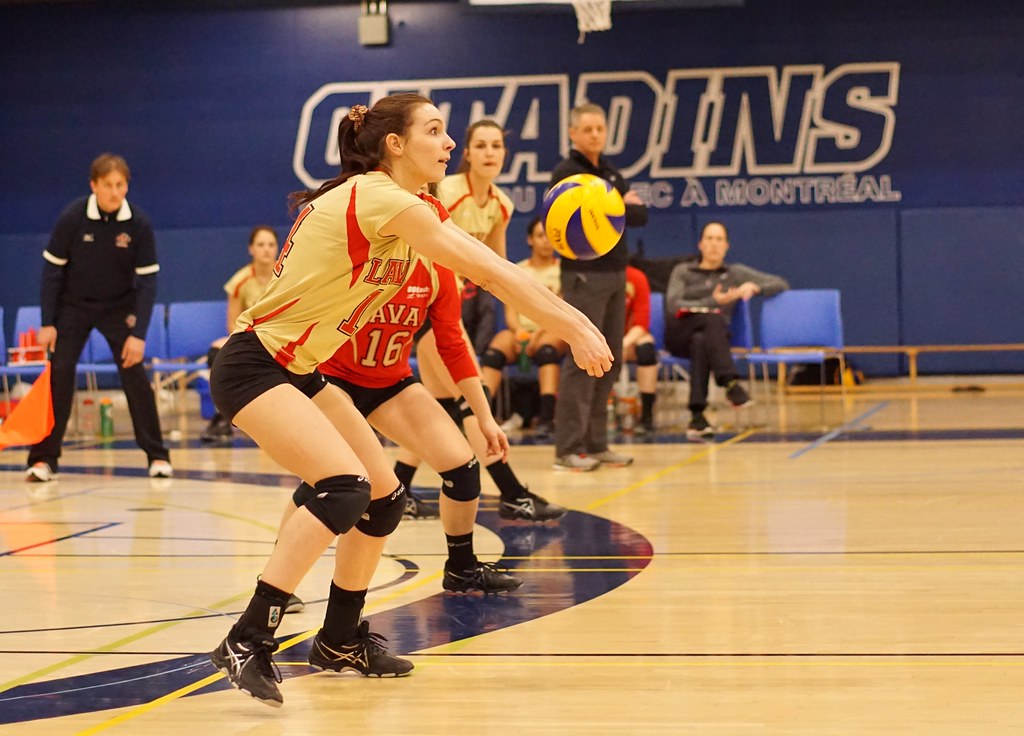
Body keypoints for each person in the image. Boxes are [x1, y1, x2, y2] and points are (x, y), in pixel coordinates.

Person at [206, 94, 611, 708]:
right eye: (436, 130)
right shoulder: (376, 198)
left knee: (384, 497)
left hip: (303, 368)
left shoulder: (407, 205)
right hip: (255, 362)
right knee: (342, 486)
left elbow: (484, 266)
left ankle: (339, 638)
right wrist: (577, 325)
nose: (448, 145)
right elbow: (496, 274)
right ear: (395, 144)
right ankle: (246, 638)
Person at [283, 252, 552, 608]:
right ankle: (279, 583)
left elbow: (453, 344)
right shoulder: (360, 254)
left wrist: (484, 414)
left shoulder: (437, 271)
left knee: (462, 466)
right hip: (335, 380)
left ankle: (461, 567)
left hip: (390, 382)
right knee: (330, 481)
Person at [399, 120, 565, 522]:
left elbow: (496, 269)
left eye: (497, 145)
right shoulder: (444, 191)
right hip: (424, 303)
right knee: (469, 400)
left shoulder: (501, 205)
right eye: (481, 145)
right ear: (467, 153)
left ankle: (399, 489)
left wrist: (534, 310)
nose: (490, 152)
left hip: (452, 308)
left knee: (442, 406)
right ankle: (512, 492)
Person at [26, 153, 172, 482]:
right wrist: (48, 322)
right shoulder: (73, 218)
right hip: (73, 306)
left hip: (119, 307)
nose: (115, 192)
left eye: (121, 185)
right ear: (94, 186)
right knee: (59, 374)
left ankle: (157, 455)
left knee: (135, 374)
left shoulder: (138, 224)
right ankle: (43, 459)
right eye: (108, 185)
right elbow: (52, 273)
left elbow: (147, 282)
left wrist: (139, 335)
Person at [551, 102, 649, 472]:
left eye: (599, 128)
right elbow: (566, 220)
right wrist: (615, 205)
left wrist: (611, 206)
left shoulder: (610, 172)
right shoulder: (566, 173)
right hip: (582, 276)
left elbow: (639, 214)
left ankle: (597, 444)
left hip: (615, 273)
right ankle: (568, 449)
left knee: (611, 360)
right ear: (573, 133)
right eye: (587, 129)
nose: (595, 134)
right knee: (583, 359)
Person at [664, 221, 788, 439]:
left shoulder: (735, 273)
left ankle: (697, 417)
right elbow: (673, 304)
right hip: (679, 333)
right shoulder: (683, 271)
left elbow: (780, 283)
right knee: (712, 319)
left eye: (719, 239)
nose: (714, 244)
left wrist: (754, 287)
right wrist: (712, 301)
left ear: (726, 246)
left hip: (711, 341)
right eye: (709, 239)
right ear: (700, 244)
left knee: (702, 340)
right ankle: (730, 382)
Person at [480, 216, 568, 436]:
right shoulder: (518, 269)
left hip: (551, 329)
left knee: (547, 352)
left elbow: (561, 310)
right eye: (540, 236)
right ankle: (480, 417)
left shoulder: (563, 271)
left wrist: (537, 334)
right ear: (530, 240)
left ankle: (547, 418)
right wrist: (518, 332)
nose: (546, 242)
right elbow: (510, 310)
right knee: (493, 354)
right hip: (520, 330)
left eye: (550, 237)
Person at [201, 225, 279, 443]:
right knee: (216, 352)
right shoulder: (240, 281)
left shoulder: (286, 276)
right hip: (251, 339)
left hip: (282, 339)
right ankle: (222, 416)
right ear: (251, 249)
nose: (266, 250)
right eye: (261, 245)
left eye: (271, 245)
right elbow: (232, 325)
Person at [623, 264, 659, 434]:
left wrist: (623, 344)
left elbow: (642, 323)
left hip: (629, 337)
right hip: (600, 335)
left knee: (646, 350)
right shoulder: (593, 276)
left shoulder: (635, 277)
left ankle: (646, 416)